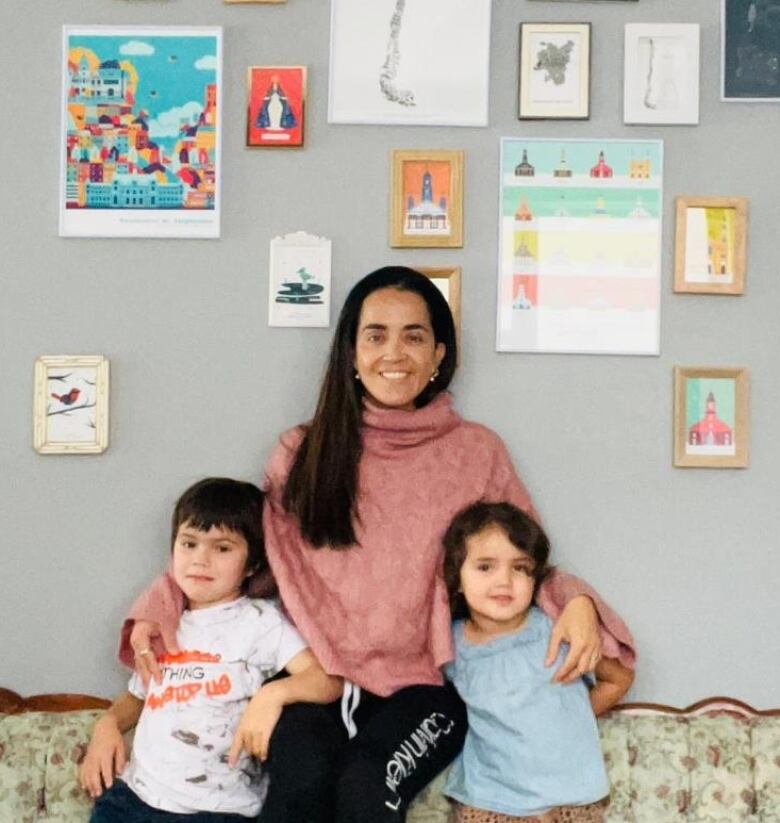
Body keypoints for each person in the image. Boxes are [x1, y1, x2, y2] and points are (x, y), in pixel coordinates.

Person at [120, 267, 635, 822]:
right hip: (321, 682)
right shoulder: (302, 451)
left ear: (439, 354)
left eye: (414, 336)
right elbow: (240, 551)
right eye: (376, 335)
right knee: (296, 788)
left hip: (427, 689)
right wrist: (161, 600)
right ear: (351, 352)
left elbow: (525, 558)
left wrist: (577, 601)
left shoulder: (477, 452)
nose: (395, 352)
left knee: (366, 788)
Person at [81, 478, 342, 822]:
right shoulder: (161, 620)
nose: (200, 560)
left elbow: (327, 679)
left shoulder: (258, 622)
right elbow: (139, 694)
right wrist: (107, 725)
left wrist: (273, 695)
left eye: (222, 548)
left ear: (252, 564)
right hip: (134, 801)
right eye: (189, 544)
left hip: (218, 810)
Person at [441, 501, 634, 823]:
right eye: (485, 567)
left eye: (520, 568)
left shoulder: (556, 627)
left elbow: (618, 678)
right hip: (489, 802)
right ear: (457, 578)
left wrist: (568, 716)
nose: (504, 580)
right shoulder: (450, 643)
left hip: (573, 800)